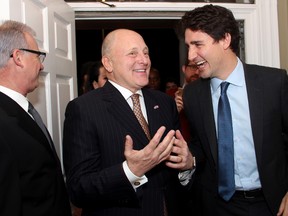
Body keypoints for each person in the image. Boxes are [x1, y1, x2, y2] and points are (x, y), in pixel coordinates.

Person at [62, 28, 194, 216]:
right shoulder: (84, 109)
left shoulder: (164, 102)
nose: (144, 60)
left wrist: (187, 166)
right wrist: (131, 171)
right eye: (132, 53)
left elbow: (173, 173)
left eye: (146, 52)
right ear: (108, 63)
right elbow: (79, 189)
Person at [178, 4, 288, 216]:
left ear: (225, 40)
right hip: (218, 206)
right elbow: (203, 147)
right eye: (188, 46)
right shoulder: (192, 95)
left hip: (272, 203)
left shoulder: (274, 83)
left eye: (198, 44)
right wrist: (190, 158)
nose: (191, 55)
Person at [0, 20, 71, 216]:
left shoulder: (22, 109)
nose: (41, 66)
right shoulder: (3, 121)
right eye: (38, 56)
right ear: (18, 57)